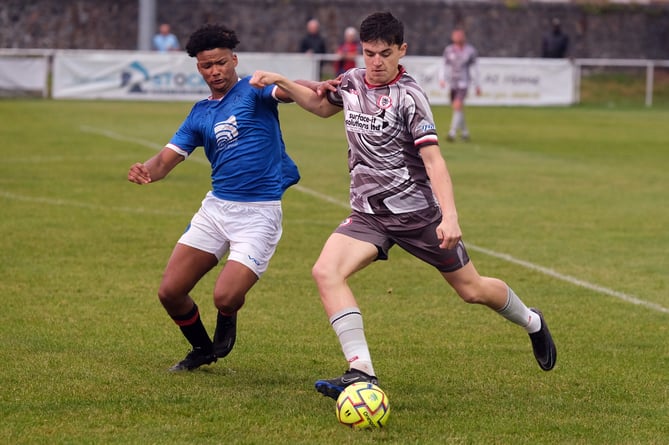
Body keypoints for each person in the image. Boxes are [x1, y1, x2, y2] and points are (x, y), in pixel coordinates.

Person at [250, 11, 556, 400]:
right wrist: (281, 81)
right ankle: (360, 372)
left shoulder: (411, 97)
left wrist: (450, 216)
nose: (375, 63)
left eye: (384, 54)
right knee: (326, 271)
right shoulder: (352, 80)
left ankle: (531, 321)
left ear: (401, 51)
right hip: (368, 214)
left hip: (417, 216)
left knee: (473, 290)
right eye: (368, 53)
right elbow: (321, 105)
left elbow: (434, 162)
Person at [128, 24, 300, 372]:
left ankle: (227, 315)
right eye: (207, 66)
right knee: (170, 292)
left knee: (226, 296)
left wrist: (296, 85)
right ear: (198, 68)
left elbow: (290, 94)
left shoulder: (254, 90)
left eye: (221, 63)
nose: (215, 71)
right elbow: (164, 161)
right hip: (217, 209)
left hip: (259, 213)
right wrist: (145, 170)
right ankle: (202, 349)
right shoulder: (200, 113)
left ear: (234, 60)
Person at [439, 28, 481, 142]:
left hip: (464, 83)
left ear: (464, 37)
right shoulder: (449, 50)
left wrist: (477, 84)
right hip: (453, 83)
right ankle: (465, 133)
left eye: (460, 35)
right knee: (457, 108)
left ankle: (452, 133)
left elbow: (475, 68)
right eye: (456, 35)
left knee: (457, 105)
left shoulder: (470, 51)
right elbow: (444, 65)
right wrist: (442, 79)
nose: (458, 38)